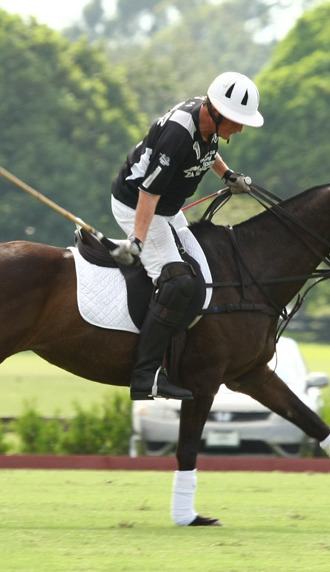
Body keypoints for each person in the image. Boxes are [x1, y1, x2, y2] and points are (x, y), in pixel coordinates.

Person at [109, 72, 264, 401]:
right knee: (178, 282)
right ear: (217, 112)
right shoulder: (179, 135)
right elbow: (148, 193)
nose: (239, 129)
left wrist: (228, 175)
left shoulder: (208, 121)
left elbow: (207, 153)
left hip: (166, 208)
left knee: (204, 269)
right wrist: (137, 242)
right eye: (236, 121)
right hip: (137, 205)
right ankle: (145, 376)